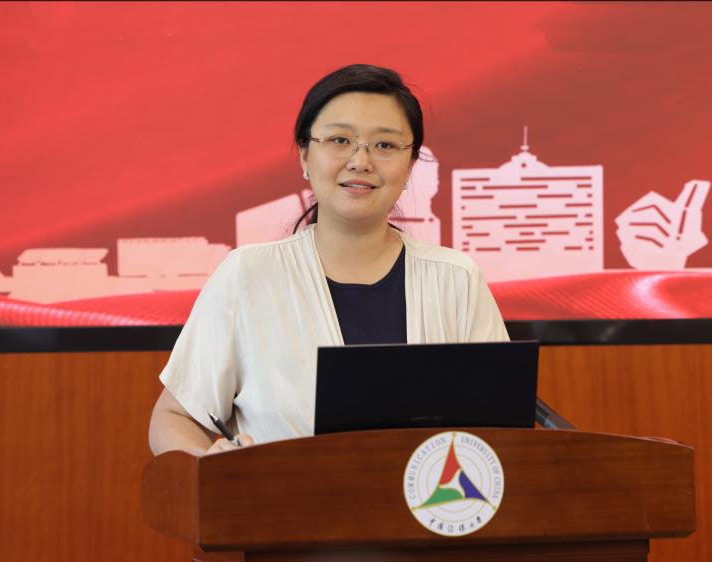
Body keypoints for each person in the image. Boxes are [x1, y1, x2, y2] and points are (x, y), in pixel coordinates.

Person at [148, 64, 508, 456]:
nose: (361, 161)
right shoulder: (248, 276)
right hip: (283, 496)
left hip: (428, 497)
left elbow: (501, 428)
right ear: (305, 155)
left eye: (385, 145)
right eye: (340, 140)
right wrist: (211, 466)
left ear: (410, 165)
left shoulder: (457, 280)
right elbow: (175, 417)